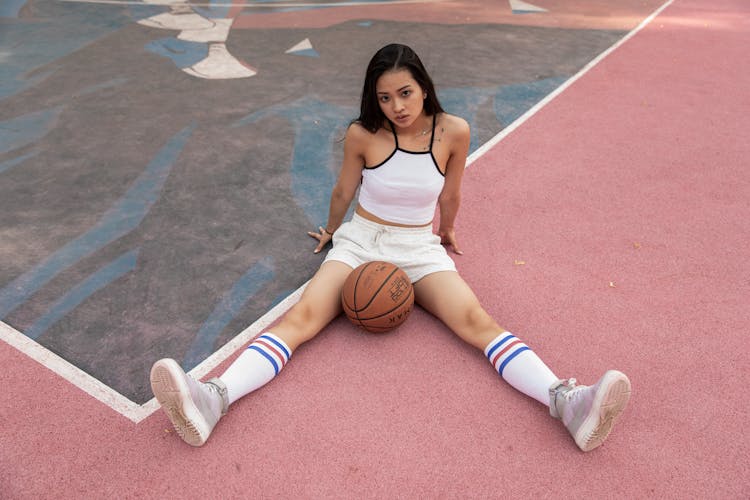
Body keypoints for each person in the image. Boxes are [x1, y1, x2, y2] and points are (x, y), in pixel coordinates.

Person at [150, 43, 631, 451]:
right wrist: (332, 231)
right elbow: (343, 190)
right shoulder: (363, 134)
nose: (397, 106)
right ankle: (213, 397)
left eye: (405, 93)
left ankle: (566, 401)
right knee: (301, 320)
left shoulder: (454, 131)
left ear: (423, 86)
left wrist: (447, 231)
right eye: (385, 98)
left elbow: (452, 191)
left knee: (477, 322)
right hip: (361, 241)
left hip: (419, 246)